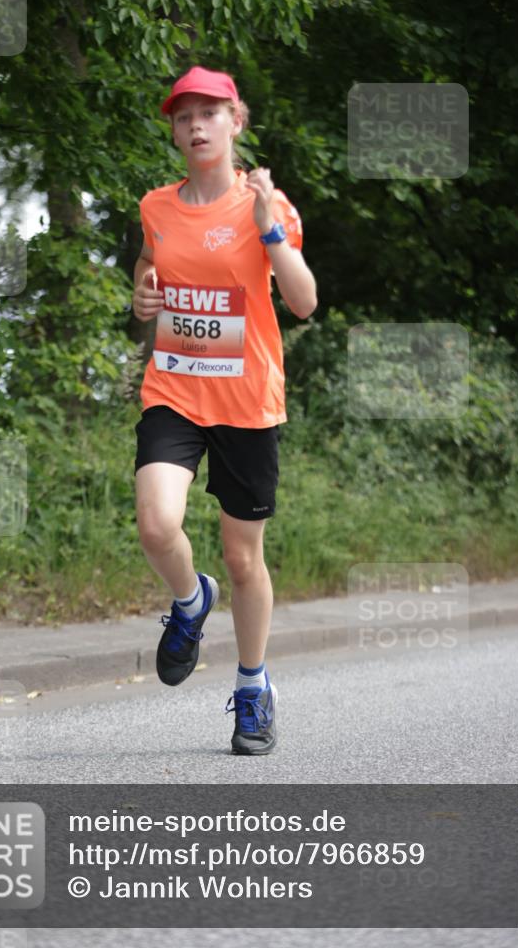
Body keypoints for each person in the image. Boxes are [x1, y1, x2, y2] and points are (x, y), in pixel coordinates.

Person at [131, 66, 317, 755]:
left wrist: (268, 229)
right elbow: (149, 267)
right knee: (156, 526)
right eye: (184, 116)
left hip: (245, 400)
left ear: (235, 121)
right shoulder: (157, 205)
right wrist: (142, 297)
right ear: (175, 132)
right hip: (175, 390)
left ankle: (251, 688)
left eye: (210, 112)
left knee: (243, 561)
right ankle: (187, 603)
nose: (197, 125)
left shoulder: (265, 204)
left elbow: (302, 302)